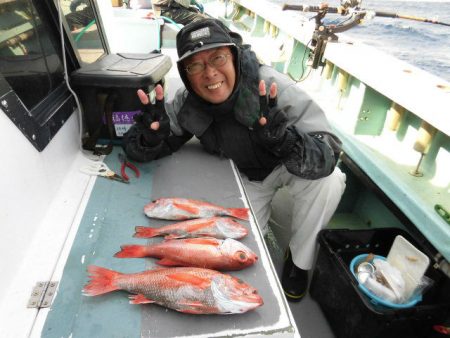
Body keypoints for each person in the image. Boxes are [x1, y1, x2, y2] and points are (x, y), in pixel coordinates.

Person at [123, 18, 346, 302]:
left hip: (287, 164)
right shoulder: (186, 102)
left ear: (235, 57)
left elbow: (327, 152)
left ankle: (299, 261)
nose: (210, 73)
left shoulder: (275, 88)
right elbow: (152, 140)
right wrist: (149, 138)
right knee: (236, 248)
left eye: (218, 57)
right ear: (186, 74)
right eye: (195, 65)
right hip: (243, 176)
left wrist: (286, 139)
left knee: (330, 181)